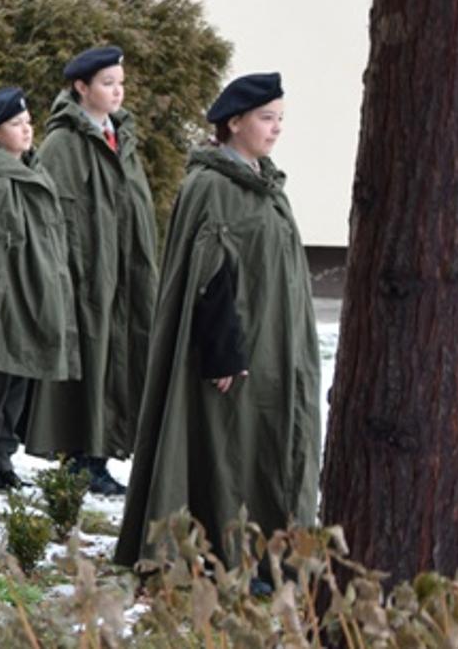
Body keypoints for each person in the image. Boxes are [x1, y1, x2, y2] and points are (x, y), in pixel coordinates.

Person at [114, 73, 320, 583]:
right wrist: (224, 351)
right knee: (228, 452)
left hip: (277, 347)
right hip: (232, 353)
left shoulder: (266, 185)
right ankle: (229, 559)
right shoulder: (211, 186)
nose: (276, 130)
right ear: (235, 122)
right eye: (266, 119)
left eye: (279, 119)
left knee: (269, 446)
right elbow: (208, 277)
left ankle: (274, 557)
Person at [25, 45, 159, 496]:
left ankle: (101, 455)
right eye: (107, 83)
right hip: (86, 277)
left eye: (121, 83)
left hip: (125, 274)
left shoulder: (123, 141)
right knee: (89, 363)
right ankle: (82, 458)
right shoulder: (64, 144)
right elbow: (51, 214)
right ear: (81, 88)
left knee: (119, 361)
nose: (118, 91)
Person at [0, 87, 79, 490]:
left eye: (29, 123)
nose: (27, 130)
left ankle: (1, 458)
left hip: (34, 293)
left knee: (19, 383)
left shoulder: (34, 171)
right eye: (16, 124)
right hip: (4, 294)